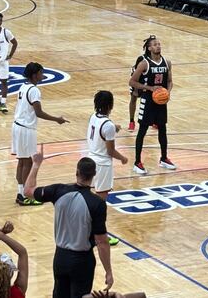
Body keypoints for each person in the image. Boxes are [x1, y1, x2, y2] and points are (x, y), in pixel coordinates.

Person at [24, 153, 114, 297]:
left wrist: (36, 164)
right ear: (94, 175)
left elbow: (27, 191)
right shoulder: (97, 203)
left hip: (60, 257)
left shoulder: (58, 191)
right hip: (82, 261)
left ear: (76, 172)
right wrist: (108, 271)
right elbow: (102, 242)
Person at [13, 62, 68, 206]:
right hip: (26, 128)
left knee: (21, 161)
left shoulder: (23, 86)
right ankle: (26, 195)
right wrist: (57, 119)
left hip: (17, 126)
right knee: (28, 162)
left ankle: (20, 193)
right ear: (34, 75)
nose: (43, 75)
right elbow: (38, 112)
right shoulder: (34, 90)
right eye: (40, 73)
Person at [129, 35, 175, 175]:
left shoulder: (167, 62)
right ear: (149, 48)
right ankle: (137, 162)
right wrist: (149, 88)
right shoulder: (144, 63)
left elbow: (170, 81)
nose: (158, 46)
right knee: (142, 130)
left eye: (159, 44)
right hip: (147, 99)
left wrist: (167, 92)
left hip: (161, 102)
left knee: (162, 129)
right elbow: (132, 82)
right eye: (155, 44)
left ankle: (164, 158)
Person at [87, 91, 128, 246]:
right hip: (102, 165)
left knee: (90, 200)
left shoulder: (93, 117)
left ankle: (89, 231)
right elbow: (110, 151)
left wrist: (114, 128)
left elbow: (102, 131)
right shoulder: (108, 126)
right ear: (111, 105)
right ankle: (100, 235)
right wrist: (122, 158)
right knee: (100, 204)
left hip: (90, 160)